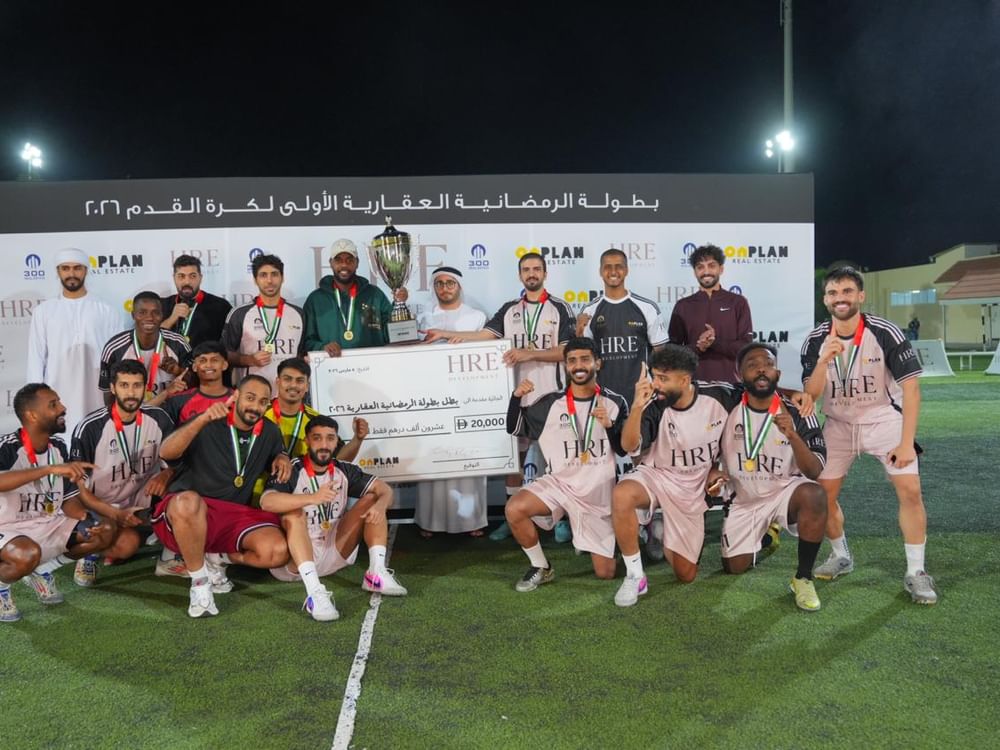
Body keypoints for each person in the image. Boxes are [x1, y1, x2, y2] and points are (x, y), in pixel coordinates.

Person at [801, 266, 937, 604]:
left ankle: (916, 572)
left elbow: (911, 389)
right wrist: (823, 361)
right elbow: (811, 395)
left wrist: (906, 443)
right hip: (838, 424)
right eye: (833, 293)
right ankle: (840, 555)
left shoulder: (884, 331)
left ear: (860, 296)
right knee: (821, 497)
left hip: (883, 421)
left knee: (910, 490)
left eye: (847, 291)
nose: (840, 298)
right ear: (825, 300)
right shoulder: (816, 339)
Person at [425, 252, 575, 542]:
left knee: (557, 459)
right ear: (520, 275)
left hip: (551, 395)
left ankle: (561, 518)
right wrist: (443, 333)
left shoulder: (559, 307)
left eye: (536, 269)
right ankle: (511, 517)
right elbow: (485, 335)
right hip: (516, 396)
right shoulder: (509, 309)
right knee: (514, 461)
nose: (531, 274)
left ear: (545, 273)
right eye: (526, 269)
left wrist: (529, 353)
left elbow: (566, 351)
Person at [152, 376, 294, 618]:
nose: (255, 406)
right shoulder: (207, 419)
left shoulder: (269, 431)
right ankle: (200, 585)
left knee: (276, 551)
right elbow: (166, 452)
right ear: (235, 395)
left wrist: (282, 455)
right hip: (191, 512)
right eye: (250, 398)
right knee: (188, 502)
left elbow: (277, 452)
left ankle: (216, 558)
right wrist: (203, 418)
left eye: (262, 402)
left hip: (232, 517)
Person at [610, 345, 738, 605]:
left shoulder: (720, 396)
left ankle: (659, 528)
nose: (655, 384)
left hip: (693, 488)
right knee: (622, 495)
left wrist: (795, 394)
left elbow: (760, 393)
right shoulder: (653, 404)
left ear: (684, 380)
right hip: (657, 476)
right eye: (654, 376)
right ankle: (635, 576)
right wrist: (637, 407)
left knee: (685, 575)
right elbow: (628, 446)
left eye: (663, 378)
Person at [706, 343, 828, 611]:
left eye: (768, 365)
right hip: (744, 499)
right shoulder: (725, 404)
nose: (761, 369)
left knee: (814, 494)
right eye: (752, 365)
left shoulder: (798, 411)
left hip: (784, 492)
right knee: (734, 567)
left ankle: (803, 578)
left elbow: (814, 471)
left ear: (778, 374)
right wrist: (713, 470)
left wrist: (793, 435)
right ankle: (767, 537)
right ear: (739, 375)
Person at [504, 338, 628, 590]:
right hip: (559, 485)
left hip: (597, 494)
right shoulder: (549, 403)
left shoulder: (615, 402)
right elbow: (514, 427)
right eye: (572, 360)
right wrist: (516, 398)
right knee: (515, 508)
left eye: (585, 359)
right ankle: (541, 566)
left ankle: (620, 537)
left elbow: (624, 448)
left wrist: (610, 426)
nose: (578, 366)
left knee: (606, 573)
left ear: (598, 363)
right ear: (565, 366)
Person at [262, 415, 406, 620]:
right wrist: (312, 498)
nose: (324, 445)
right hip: (295, 564)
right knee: (294, 514)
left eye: (330, 438)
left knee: (374, 498)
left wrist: (381, 505)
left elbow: (385, 490)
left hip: (334, 551)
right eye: (317, 438)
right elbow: (267, 502)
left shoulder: (343, 469)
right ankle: (314, 592)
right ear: (307, 441)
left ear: (336, 442)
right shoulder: (293, 469)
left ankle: (376, 572)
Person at [577, 247, 669, 558]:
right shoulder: (591, 311)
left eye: (618, 266)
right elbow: (583, 359)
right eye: (608, 266)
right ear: (600, 271)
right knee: (607, 466)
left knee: (646, 462)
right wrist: (578, 331)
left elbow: (661, 354)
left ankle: (653, 527)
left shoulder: (645, 307)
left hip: (640, 400)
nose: (613, 271)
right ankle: (611, 529)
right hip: (606, 403)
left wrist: (657, 390)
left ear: (626, 270)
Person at [0, 383, 114, 622]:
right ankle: (2, 587)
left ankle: (42, 571)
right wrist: (48, 469)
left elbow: (68, 500)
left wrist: (86, 519)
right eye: (53, 404)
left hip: (46, 522)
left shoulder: (59, 447)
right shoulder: (7, 447)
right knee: (27, 554)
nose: (63, 408)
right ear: (32, 415)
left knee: (104, 530)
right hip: (7, 527)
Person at [70, 360, 175, 585]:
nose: (131, 393)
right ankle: (89, 552)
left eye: (137, 385)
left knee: (130, 543)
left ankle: (170, 554)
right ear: (113, 388)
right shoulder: (90, 427)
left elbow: (179, 460)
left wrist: (165, 474)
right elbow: (78, 491)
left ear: (145, 387)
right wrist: (115, 515)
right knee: (124, 545)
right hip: (100, 507)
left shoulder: (158, 418)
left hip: (138, 503)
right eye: (124, 385)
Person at [415, 266, 489, 537]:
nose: (445, 288)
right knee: (432, 457)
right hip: (432, 398)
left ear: (459, 286)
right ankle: (430, 521)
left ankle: (472, 521)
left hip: (467, 398)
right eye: (439, 283)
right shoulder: (423, 317)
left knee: (467, 459)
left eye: (450, 283)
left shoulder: (476, 317)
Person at [26, 248, 124, 439]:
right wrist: (36, 400)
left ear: (86, 270)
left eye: (77, 268)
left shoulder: (106, 310)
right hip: (57, 391)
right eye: (65, 268)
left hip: (97, 392)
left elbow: (118, 357)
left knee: (96, 438)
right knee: (60, 440)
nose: (71, 273)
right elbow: (36, 358)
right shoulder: (44, 311)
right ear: (58, 271)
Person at [253, 357, 368, 499]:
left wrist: (357, 439)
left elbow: (338, 459)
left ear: (307, 386)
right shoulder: (259, 414)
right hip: (259, 496)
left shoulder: (316, 421)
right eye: (287, 379)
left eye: (300, 381)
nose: (293, 385)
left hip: (303, 499)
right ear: (277, 382)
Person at [667, 244, 753, 381]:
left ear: (721, 269)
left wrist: (714, 343)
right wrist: (698, 347)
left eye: (711, 266)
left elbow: (746, 347)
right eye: (700, 267)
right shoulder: (683, 306)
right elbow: (672, 352)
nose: (706, 272)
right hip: (693, 385)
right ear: (695, 272)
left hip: (731, 385)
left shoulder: (738, 302)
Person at [301, 238, 396, 355]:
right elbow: (305, 342)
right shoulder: (315, 300)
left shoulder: (374, 295)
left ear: (357, 263)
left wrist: (398, 304)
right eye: (338, 260)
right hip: (331, 365)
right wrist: (322, 347)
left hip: (371, 363)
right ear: (331, 263)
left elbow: (391, 333)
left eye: (349, 260)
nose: (344, 265)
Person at [222, 253, 305, 386]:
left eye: (274, 274)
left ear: (282, 277)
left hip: (288, 392)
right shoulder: (240, 314)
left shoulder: (298, 314)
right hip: (253, 393)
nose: (269, 280)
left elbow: (302, 354)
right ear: (255, 280)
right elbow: (224, 354)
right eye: (263, 275)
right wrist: (249, 360)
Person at [99, 292, 190, 409]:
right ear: (133, 315)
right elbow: (108, 394)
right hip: (131, 417)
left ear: (162, 315)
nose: (149, 318)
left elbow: (196, 382)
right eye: (142, 312)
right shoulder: (114, 348)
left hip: (172, 414)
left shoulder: (178, 343)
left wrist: (178, 370)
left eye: (155, 313)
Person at [160, 254, 233, 356]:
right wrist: (171, 319)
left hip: (204, 364)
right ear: (174, 278)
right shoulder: (162, 305)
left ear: (200, 278)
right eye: (181, 276)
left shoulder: (220, 306)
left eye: (193, 276)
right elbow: (151, 340)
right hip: (169, 364)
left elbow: (230, 347)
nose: (187, 282)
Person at [164, 341, 233, 426]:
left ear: (225, 365)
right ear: (194, 367)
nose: (208, 365)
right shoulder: (178, 401)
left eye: (214, 360)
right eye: (202, 361)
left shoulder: (237, 399)